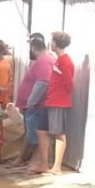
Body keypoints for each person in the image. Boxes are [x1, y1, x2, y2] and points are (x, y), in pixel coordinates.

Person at [19, 34, 57, 173]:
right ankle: (35, 161)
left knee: (36, 137)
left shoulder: (43, 61)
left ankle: (38, 162)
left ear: (34, 48)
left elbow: (42, 83)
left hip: (36, 106)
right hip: (35, 105)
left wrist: (31, 102)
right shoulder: (45, 60)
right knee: (34, 135)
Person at [41, 31, 77, 175]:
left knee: (59, 133)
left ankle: (57, 167)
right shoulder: (60, 60)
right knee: (54, 132)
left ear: (55, 43)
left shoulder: (64, 61)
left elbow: (69, 83)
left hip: (59, 101)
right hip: (54, 100)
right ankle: (54, 166)